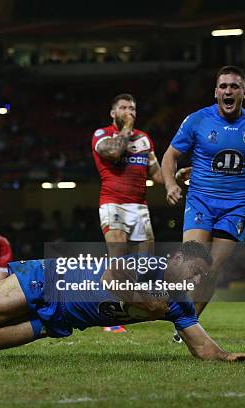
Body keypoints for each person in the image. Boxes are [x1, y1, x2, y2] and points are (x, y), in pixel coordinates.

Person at [0, 242, 245, 362]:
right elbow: (112, 275)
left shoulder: (179, 305)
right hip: (50, 281)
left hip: (58, 321)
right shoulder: (149, 265)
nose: (195, 279)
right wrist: (148, 304)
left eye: (200, 276)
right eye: (192, 270)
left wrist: (224, 356)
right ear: (176, 260)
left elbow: (201, 346)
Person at [161, 66, 245, 341]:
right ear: (215, 91)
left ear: (244, 92)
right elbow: (170, 156)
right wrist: (170, 184)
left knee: (212, 269)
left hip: (235, 207)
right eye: (223, 86)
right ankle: (176, 302)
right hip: (201, 201)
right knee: (194, 261)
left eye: (234, 86)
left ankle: (186, 326)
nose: (228, 91)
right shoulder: (197, 121)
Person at [91, 93, 164, 333]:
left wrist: (177, 177)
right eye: (123, 108)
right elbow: (113, 153)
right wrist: (128, 127)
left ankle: (135, 306)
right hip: (113, 204)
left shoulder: (144, 139)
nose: (129, 111)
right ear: (113, 113)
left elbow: (156, 174)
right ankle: (109, 316)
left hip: (139, 206)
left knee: (145, 262)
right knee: (119, 259)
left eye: (132, 108)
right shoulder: (102, 135)